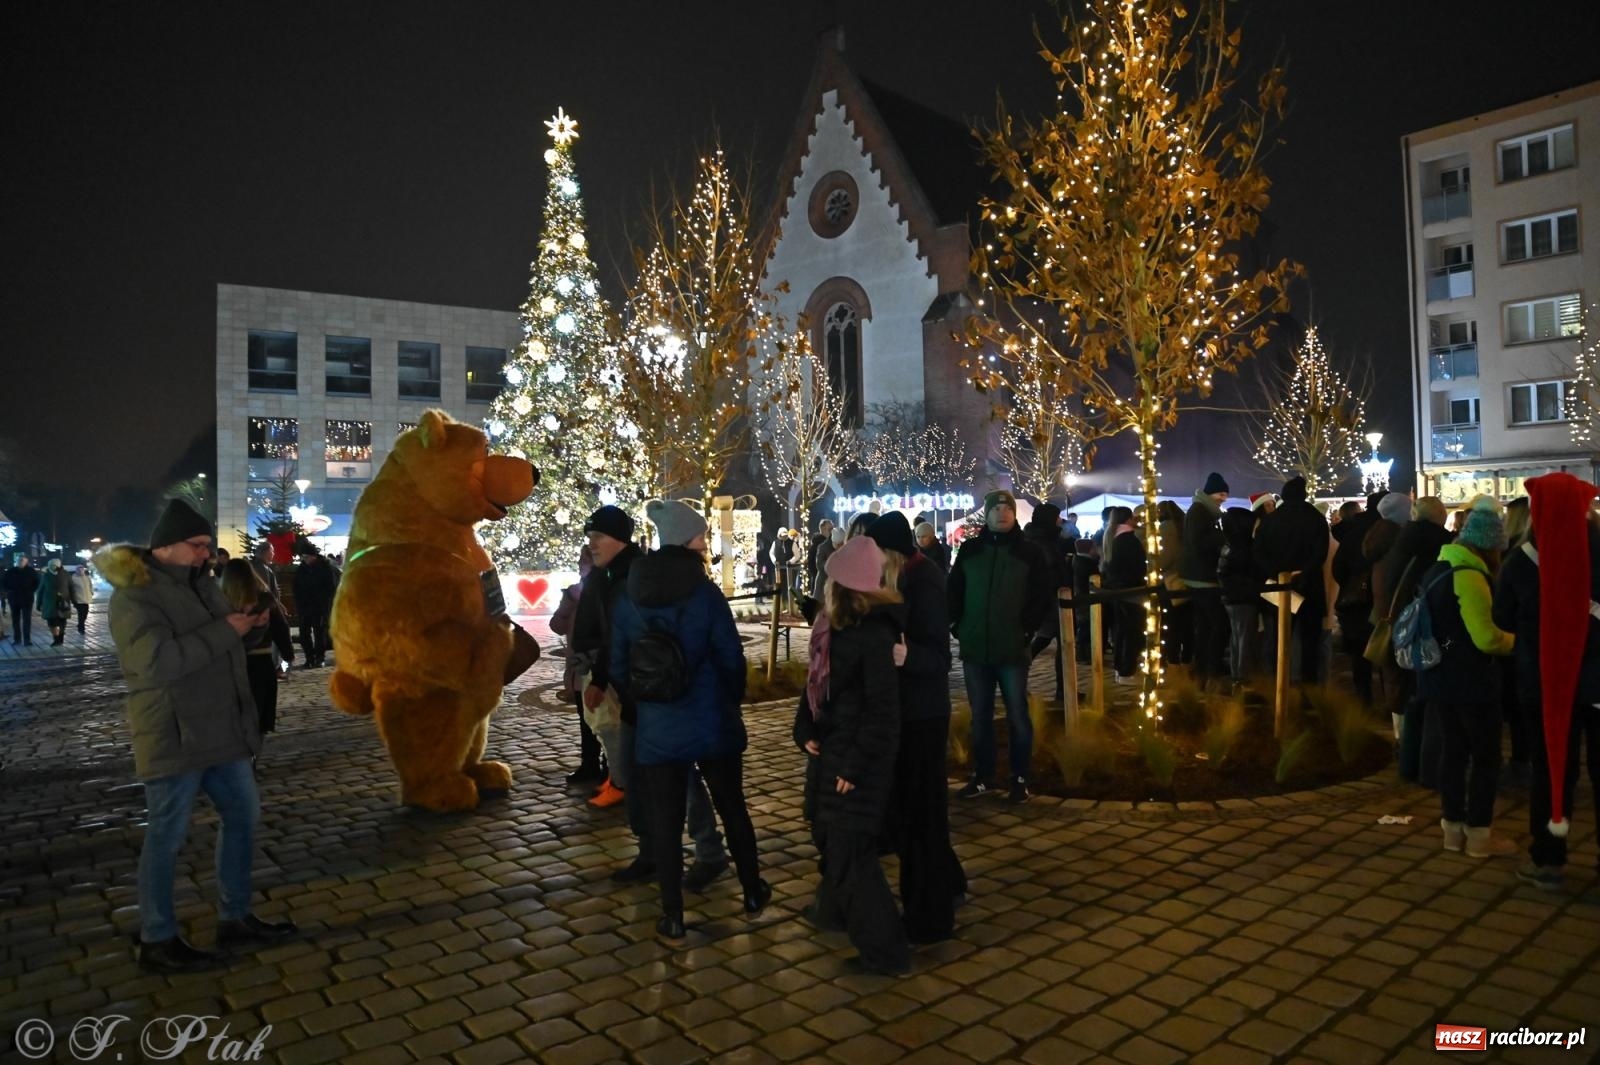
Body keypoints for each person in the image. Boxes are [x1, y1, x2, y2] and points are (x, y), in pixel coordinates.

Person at [95, 499, 296, 972]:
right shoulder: (135, 595)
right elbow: (157, 663)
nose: (208, 555)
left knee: (244, 817)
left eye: (208, 546)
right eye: (198, 545)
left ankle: (235, 915)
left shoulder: (204, 585)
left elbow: (222, 646)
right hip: (174, 732)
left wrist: (249, 629)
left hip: (221, 729)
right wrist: (228, 629)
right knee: (166, 835)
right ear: (166, 546)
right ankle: (158, 937)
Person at [611, 500, 768, 939]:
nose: (705, 543)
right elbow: (730, 656)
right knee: (732, 808)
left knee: (665, 821)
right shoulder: (704, 593)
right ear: (685, 540)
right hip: (711, 718)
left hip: (659, 726)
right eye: (700, 536)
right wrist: (729, 698)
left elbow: (620, 665)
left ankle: (673, 914)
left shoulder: (629, 594)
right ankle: (753, 891)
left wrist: (646, 706)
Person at [576, 505, 728, 885]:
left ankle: (707, 852)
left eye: (599, 537)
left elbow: (712, 648)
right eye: (590, 537)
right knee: (637, 774)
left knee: (680, 778)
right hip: (637, 694)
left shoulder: (642, 576)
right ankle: (654, 852)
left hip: (661, 697)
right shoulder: (612, 575)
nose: (592, 544)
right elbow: (614, 634)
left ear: (619, 539)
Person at [794, 534, 911, 974]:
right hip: (834, 752)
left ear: (842, 585)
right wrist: (803, 728)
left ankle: (886, 954)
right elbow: (815, 690)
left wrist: (855, 765)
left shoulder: (873, 634)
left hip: (855, 762)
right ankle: (843, 919)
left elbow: (882, 711)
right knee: (838, 848)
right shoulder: (834, 629)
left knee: (852, 857)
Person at [1495, 473, 1600, 890]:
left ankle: (1549, 858)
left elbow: (1502, 618)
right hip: (1598, 682)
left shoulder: (1522, 561)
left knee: (1553, 768)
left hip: (1543, 682)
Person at [867, 512, 965, 944]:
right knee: (918, 813)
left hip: (922, 714)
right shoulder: (901, 576)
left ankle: (929, 917)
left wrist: (909, 658)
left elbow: (940, 657)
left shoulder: (923, 580)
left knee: (920, 814)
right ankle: (949, 884)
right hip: (903, 711)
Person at [1420, 496, 1516, 857]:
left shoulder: (1439, 568)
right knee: (1485, 757)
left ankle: (1452, 831)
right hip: (1471, 682)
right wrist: (1519, 642)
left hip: (1439, 677)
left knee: (1454, 753)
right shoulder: (1470, 576)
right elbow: (1486, 638)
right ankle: (1478, 835)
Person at [949, 490, 1052, 802]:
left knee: (1018, 714)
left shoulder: (1029, 553)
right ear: (988, 513)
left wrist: (1026, 630)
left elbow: (1040, 594)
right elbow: (954, 590)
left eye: (1008, 508)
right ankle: (983, 776)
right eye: (997, 508)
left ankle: (1019, 778)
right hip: (975, 648)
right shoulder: (970, 550)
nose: (1003, 513)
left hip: (1011, 649)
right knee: (980, 715)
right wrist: (958, 625)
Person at [1382, 497, 1453, 784]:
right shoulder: (1441, 544)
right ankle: (1431, 768)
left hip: (1404, 624)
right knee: (1431, 699)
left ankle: (1409, 761)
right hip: (1429, 628)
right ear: (1439, 515)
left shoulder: (1401, 540)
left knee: (1413, 695)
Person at [1254, 476, 1332, 685]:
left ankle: (1278, 682)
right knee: (1310, 640)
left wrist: (1278, 574)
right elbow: (1320, 553)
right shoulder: (1315, 519)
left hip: (1279, 585)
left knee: (1279, 636)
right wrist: (1304, 572)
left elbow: (1259, 553)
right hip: (1309, 585)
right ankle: (1309, 686)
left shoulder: (1271, 520)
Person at [219, 559, 293, 740]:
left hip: (230, 664)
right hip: (262, 662)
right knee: (259, 717)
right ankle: (251, 756)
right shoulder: (265, 600)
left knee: (234, 715)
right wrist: (285, 661)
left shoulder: (219, 601)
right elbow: (282, 631)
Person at [1332, 491, 1389, 708]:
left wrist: (1350, 584)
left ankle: (1364, 700)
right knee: (1387, 652)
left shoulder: (1353, 531)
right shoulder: (1390, 530)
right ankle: (1390, 703)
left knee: (1360, 653)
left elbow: (1339, 566)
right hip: (1384, 599)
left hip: (1356, 602)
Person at [1181, 473, 1230, 685]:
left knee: (1205, 626)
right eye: (1221, 494)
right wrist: (1223, 538)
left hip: (1199, 576)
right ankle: (1209, 667)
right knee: (1215, 625)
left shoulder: (1202, 511)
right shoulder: (1200, 512)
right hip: (1203, 578)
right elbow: (1200, 542)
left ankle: (1203, 667)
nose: (1223, 498)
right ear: (1211, 494)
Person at [1024, 502, 1074, 702]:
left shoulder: (1043, 538)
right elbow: (1047, 572)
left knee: (1044, 642)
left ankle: (1064, 689)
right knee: (1062, 643)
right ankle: (1064, 690)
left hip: (1051, 600)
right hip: (1051, 601)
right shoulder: (1042, 542)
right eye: (1057, 517)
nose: (1060, 521)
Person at [1218, 506, 1266, 681]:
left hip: (1232, 597)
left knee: (1238, 638)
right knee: (1246, 639)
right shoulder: (1244, 548)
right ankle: (1243, 679)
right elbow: (1252, 572)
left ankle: (1238, 675)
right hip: (1244, 597)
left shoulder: (1229, 544)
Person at [1100, 506, 1147, 680]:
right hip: (1130, 589)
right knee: (1131, 631)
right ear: (1128, 519)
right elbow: (1137, 566)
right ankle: (1127, 669)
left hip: (1117, 589)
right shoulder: (1129, 540)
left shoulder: (1112, 537)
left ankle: (1121, 668)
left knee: (1120, 631)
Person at [291, 544, 338, 668]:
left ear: (313, 556)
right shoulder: (302, 568)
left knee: (319, 632)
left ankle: (319, 657)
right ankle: (309, 658)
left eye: (306, 557)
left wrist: (324, 604)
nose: (304, 559)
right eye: (303, 557)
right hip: (305, 606)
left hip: (320, 606)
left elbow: (331, 588)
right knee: (304, 633)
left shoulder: (325, 567)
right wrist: (299, 603)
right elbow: (296, 587)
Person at [2, 553, 39, 645]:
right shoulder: (11, 571)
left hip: (27, 599)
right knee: (15, 620)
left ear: (26, 561)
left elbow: (37, 583)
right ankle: (17, 639)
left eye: (23, 560)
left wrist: (31, 590)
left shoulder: (31, 571)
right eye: (19, 560)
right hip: (14, 599)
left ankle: (27, 640)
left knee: (27, 620)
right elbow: (3, 582)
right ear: (16, 561)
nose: (21, 561)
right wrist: (8, 591)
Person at [36, 558, 73, 645]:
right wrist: (38, 603)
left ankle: (60, 638)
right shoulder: (46, 576)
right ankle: (56, 638)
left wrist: (74, 600)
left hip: (63, 603)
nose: (53, 567)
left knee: (62, 622)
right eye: (51, 565)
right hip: (49, 604)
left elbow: (71, 587)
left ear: (58, 565)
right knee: (52, 622)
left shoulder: (65, 574)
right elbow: (40, 590)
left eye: (54, 565)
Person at [807, 519, 834, 594]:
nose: (832, 532)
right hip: (821, 581)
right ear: (822, 529)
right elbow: (811, 564)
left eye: (832, 529)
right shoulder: (819, 545)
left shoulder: (830, 543)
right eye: (829, 529)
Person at [70, 563, 95, 634]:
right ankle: (81, 628)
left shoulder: (87, 577)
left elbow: (90, 585)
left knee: (85, 614)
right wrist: (73, 597)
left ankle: (80, 624)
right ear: (76, 570)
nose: (81, 570)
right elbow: (71, 588)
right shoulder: (73, 578)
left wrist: (91, 592)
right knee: (81, 614)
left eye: (82, 569)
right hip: (78, 599)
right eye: (79, 569)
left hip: (86, 599)